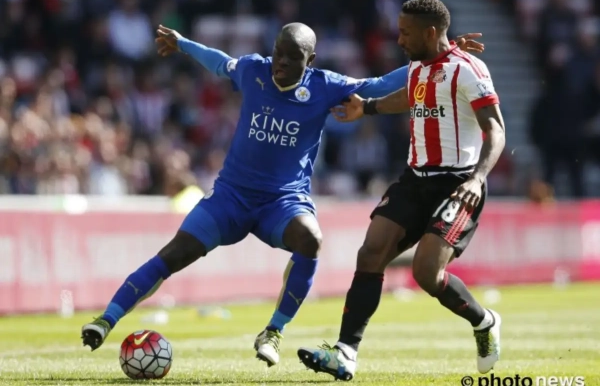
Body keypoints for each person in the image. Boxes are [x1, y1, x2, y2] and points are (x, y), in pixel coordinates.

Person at [80, 21, 485, 367]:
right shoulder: (253, 70)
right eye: (278, 53)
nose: (282, 63)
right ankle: (105, 320)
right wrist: (183, 43)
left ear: (310, 61)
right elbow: (219, 62)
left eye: (293, 58)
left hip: (282, 202)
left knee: (310, 239)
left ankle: (273, 331)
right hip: (231, 198)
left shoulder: (326, 86)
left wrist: (438, 56)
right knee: (173, 253)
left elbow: (378, 85)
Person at [298, 0, 505, 381]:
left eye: (406, 33)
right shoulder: (418, 65)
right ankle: (345, 353)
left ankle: (485, 321)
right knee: (370, 252)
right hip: (415, 179)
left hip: (458, 185)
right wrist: (367, 107)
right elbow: (412, 95)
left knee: (427, 274)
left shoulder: (468, 70)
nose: (399, 39)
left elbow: (495, 129)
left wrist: (477, 179)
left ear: (430, 32)